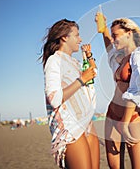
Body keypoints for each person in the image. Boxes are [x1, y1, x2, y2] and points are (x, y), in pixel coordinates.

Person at [95, 14, 140, 169]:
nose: (113, 40)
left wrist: (125, 123)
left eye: (116, 36)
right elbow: (109, 47)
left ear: (129, 33)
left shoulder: (138, 56)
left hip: (130, 117)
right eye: (112, 36)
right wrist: (104, 29)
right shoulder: (119, 57)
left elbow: (139, 88)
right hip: (112, 115)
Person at [40, 19, 99, 169]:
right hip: (70, 127)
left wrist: (89, 56)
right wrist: (81, 79)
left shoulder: (75, 62)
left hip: (87, 122)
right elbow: (54, 98)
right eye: (77, 35)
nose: (80, 39)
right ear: (64, 37)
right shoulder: (54, 61)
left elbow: (92, 75)